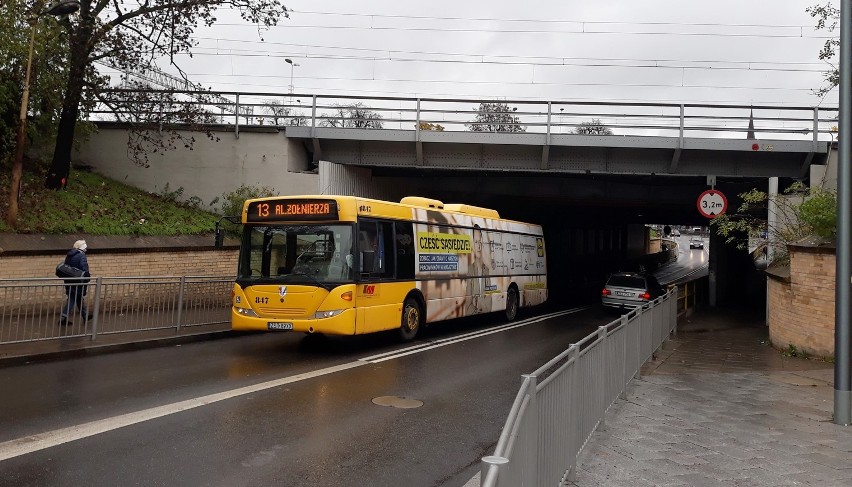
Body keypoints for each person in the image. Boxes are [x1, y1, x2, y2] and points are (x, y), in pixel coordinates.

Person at [60, 239, 92, 326]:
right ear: (83, 247)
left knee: (78, 297)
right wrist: (87, 277)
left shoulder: (69, 255)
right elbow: (84, 268)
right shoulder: (81, 256)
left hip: (69, 280)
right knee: (72, 298)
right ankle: (63, 317)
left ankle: (85, 315)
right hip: (78, 280)